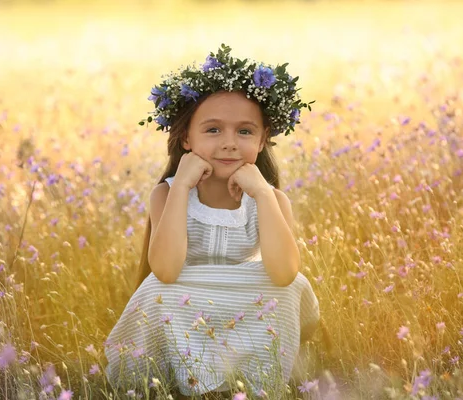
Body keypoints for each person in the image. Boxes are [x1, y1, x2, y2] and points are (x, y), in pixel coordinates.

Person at [104, 44, 320, 399]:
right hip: (188, 306)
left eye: (245, 132)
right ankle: (182, 382)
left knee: (288, 289)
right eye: (213, 130)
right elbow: (167, 271)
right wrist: (183, 184)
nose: (230, 144)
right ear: (187, 137)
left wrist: (264, 194)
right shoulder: (168, 194)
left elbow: (283, 274)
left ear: (264, 138)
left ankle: (255, 382)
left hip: (244, 305)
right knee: (160, 291)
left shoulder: (271, 199)